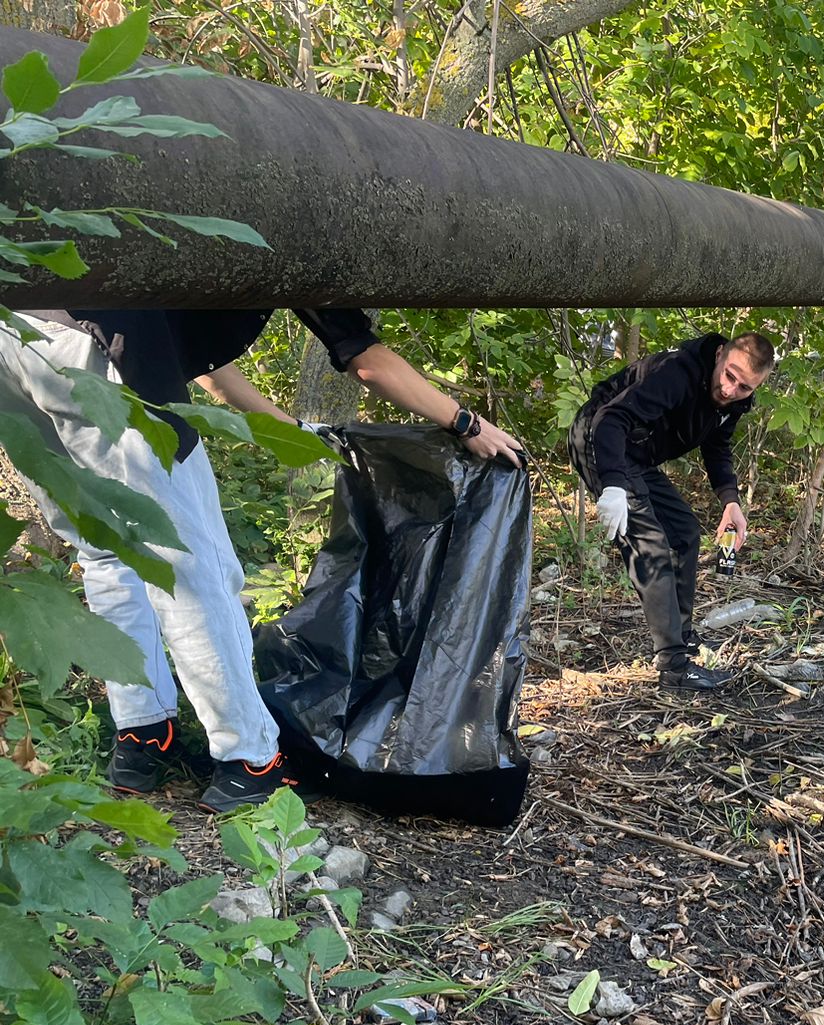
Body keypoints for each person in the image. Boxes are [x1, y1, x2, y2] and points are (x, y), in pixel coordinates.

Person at [0, 307, 524, 813]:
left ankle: (142, 737)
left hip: (13, 337)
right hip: (98, 347)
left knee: (106, 549)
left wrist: (285, 428)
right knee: (189, 562)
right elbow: (364, 357)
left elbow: (209, 371)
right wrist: (465, 423)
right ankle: (249, 761)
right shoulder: (293, 232)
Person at [568, 331, 775, 690]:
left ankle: (681, 635)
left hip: (638, 456)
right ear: (719, 356)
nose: (730, 391)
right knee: (650, 545)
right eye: (730, 376)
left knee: (684, 533)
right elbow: (611, 418)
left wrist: (731, 502)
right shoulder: (676, 372)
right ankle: (674, 667)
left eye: (744, 387)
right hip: (600, 441)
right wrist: (614, 485)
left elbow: (717, 447)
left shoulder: (733, 402)